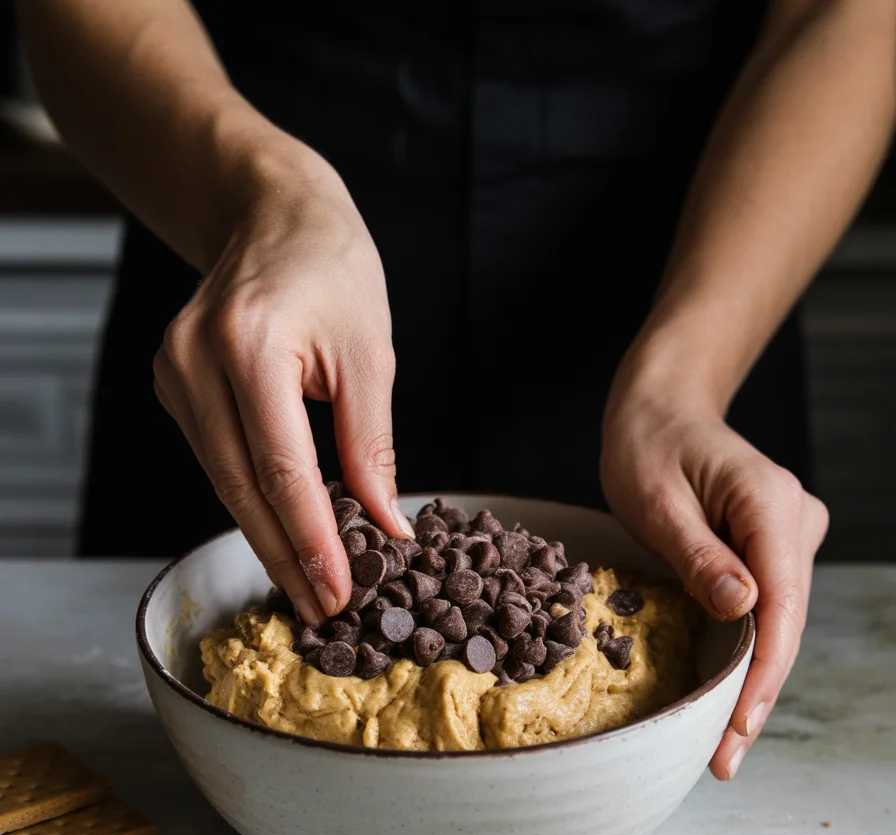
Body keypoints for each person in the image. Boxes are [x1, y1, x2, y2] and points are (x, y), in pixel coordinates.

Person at [17, 1, 895, 779]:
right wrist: (255, 197)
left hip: (692, 259)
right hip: (246, 262)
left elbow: (845, 13)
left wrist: (685, 381)